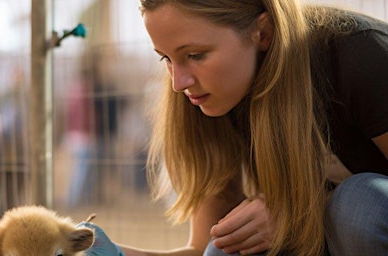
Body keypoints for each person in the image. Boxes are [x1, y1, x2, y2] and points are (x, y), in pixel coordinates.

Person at [77, 0, 388, 255]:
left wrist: (300, 212)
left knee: (357, 206)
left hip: (361, 223)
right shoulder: (214, 98)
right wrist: (114, 253)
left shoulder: (359, 53)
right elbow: (200, 250)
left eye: (195, 55)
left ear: (262, 32)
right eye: (166, 59)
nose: (177, 83)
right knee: (223, 250)